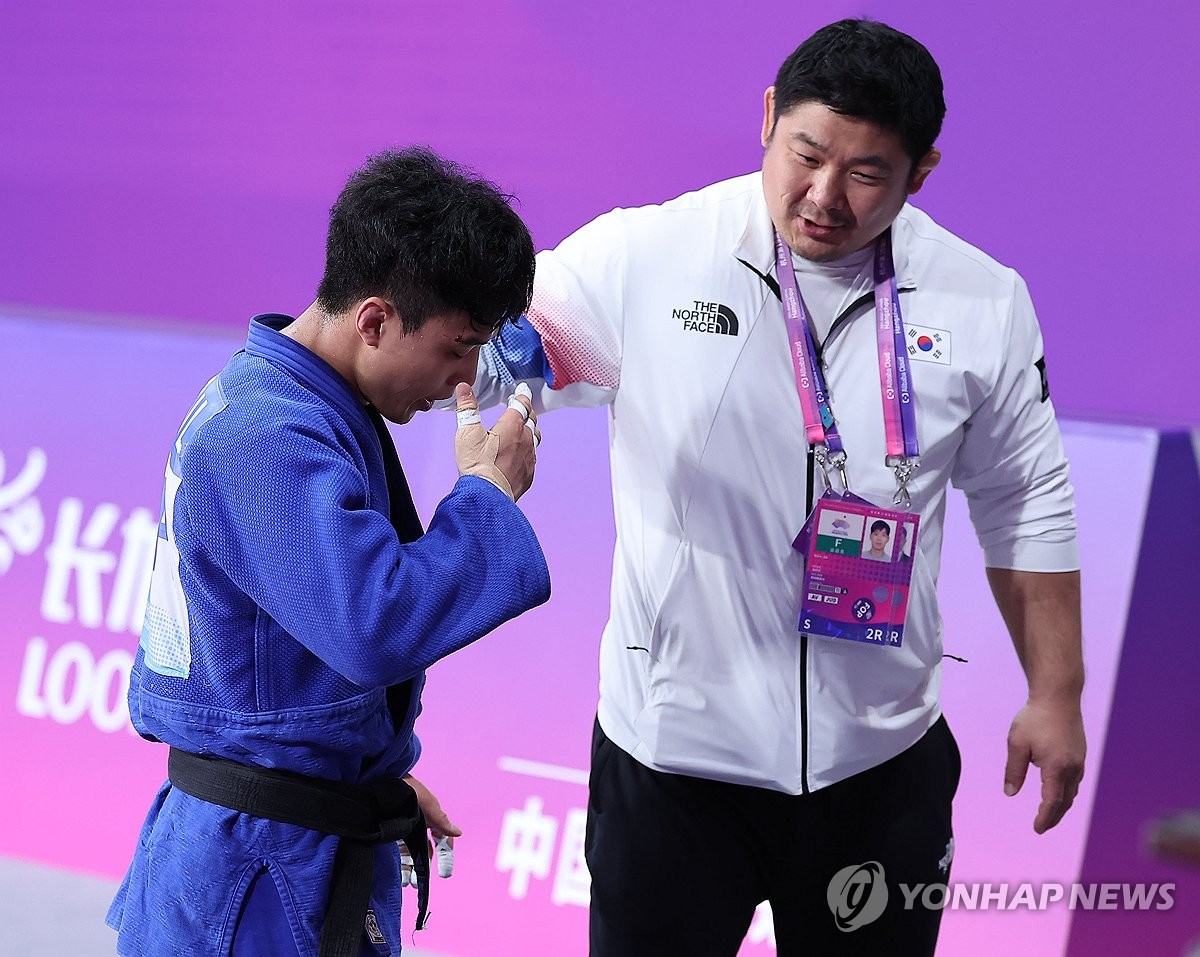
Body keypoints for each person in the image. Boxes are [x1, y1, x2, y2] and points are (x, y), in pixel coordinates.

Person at [470, 17, 1086, 956]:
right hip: (671, 759)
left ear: (921, 172)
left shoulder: (982, 301)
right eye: (806, 153)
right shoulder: (650, 258)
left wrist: (1057, 690)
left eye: (867, 173)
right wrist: (512, 393)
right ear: (767, 116)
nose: (824, 196)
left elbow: (1024, 496)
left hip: (877, 763)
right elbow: (505, 347)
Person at [106, 147, 551, 957]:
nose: (464, 378)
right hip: (251, 877)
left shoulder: (296, 399)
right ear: (375, 319)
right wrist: (486, 499)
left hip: (280, 833)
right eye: (458, 347)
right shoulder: (266, 433)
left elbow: (275, 661)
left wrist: (365, 771)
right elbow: (373, 624)